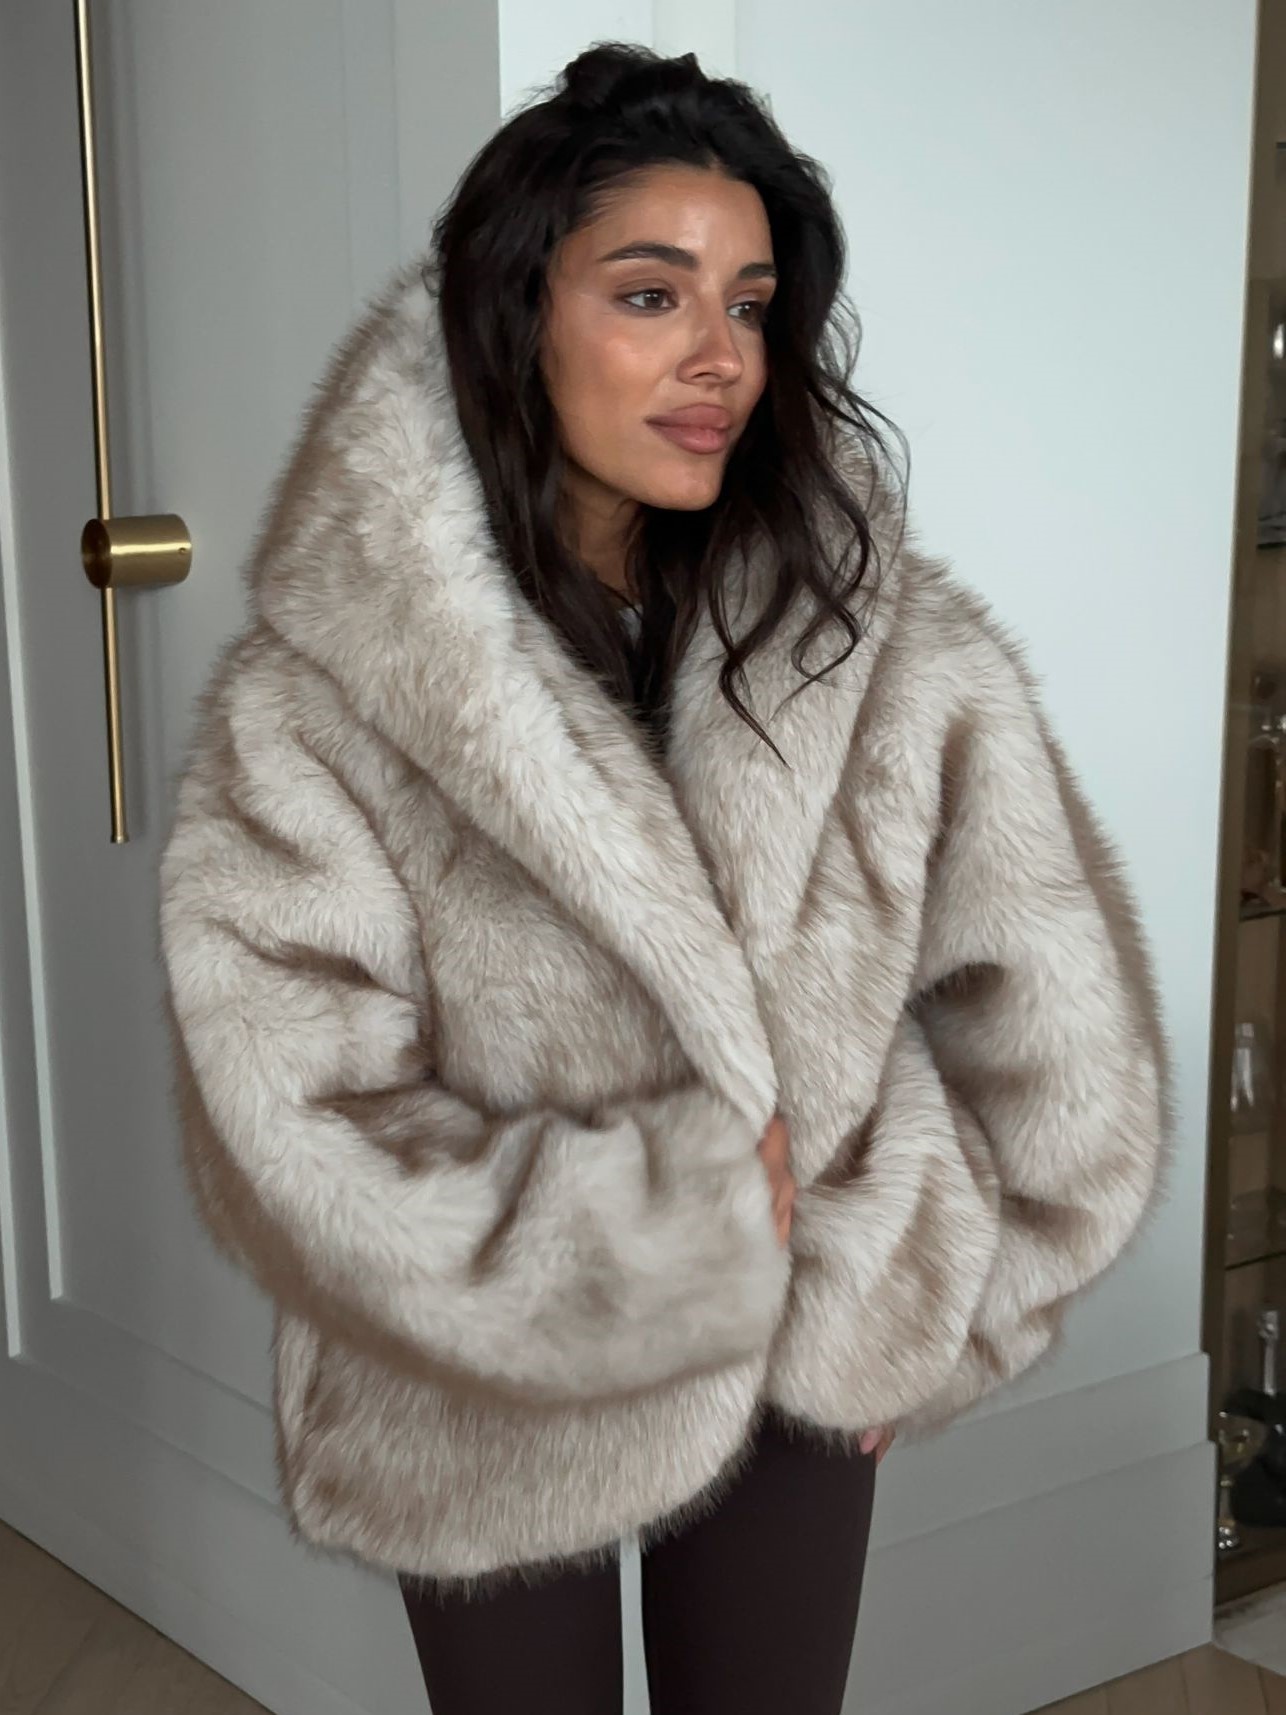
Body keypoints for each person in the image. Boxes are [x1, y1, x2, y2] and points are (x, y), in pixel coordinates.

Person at [156, 41, 1172, 1715]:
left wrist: (938, 1295)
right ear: (513, 313)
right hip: (478, 1365)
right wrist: (658, 1223)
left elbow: (1057, 1023)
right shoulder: (327, 699)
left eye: (751, 306)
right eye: (650, 295)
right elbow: (287, 1104)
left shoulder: (880, 650)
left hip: (797, 1333)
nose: (720, 358)